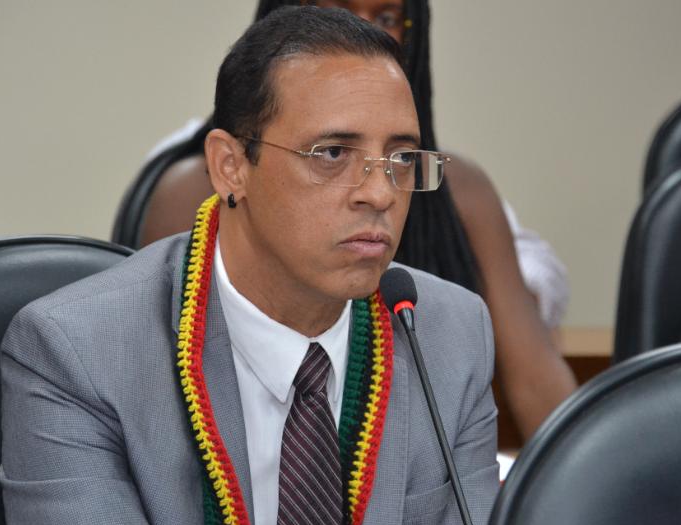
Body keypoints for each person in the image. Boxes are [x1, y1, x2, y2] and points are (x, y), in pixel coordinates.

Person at [0, 7, 499, 525]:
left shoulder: (449, 335)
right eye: (332, 153)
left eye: (401, 159)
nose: (380, 194)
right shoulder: (78, 354)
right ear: (230, 167)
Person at [137, 0, 575, 440]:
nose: (380, 194)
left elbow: (537, 384)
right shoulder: (190, 195)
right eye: (332, 154)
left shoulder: (459, 230)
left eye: (386, 18)